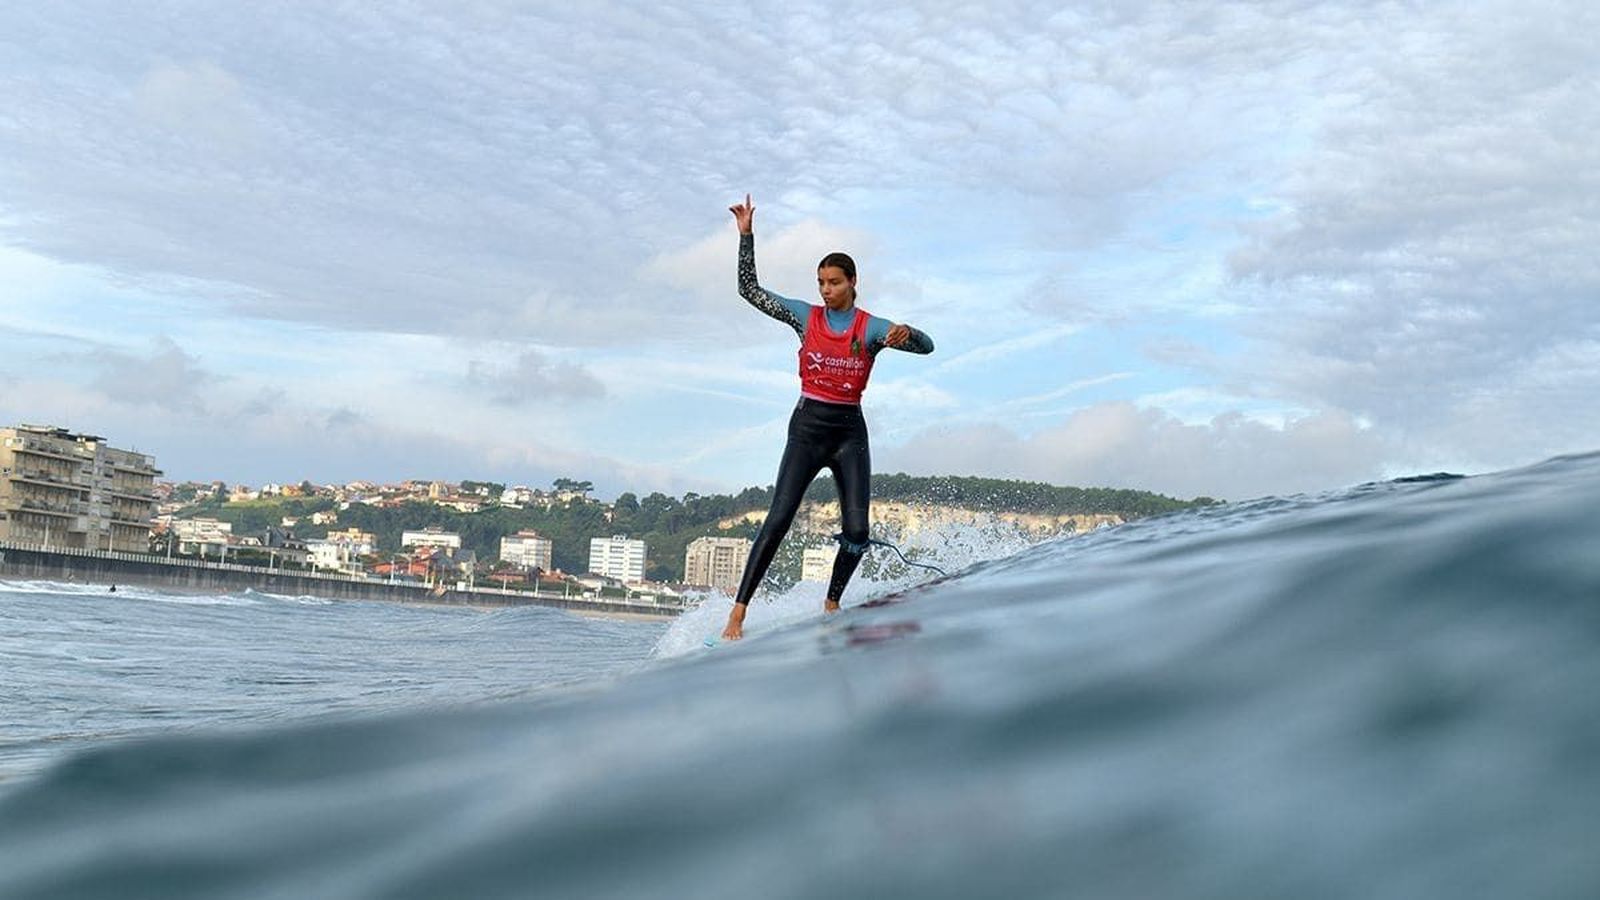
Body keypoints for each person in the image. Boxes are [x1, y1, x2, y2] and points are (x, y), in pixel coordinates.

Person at [721, 194, 935, 640]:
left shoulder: (872, 328)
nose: (825, 290)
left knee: (857, 530)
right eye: (820, 282)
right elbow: (749, 291)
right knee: (779, 517)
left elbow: (927, 347)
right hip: (807, 429)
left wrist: (909, 334)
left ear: (853, 282)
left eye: (834, 282)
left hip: (848, 432)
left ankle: (833, 601)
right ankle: (737, 616)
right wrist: (746, 237)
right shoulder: (805, 317)